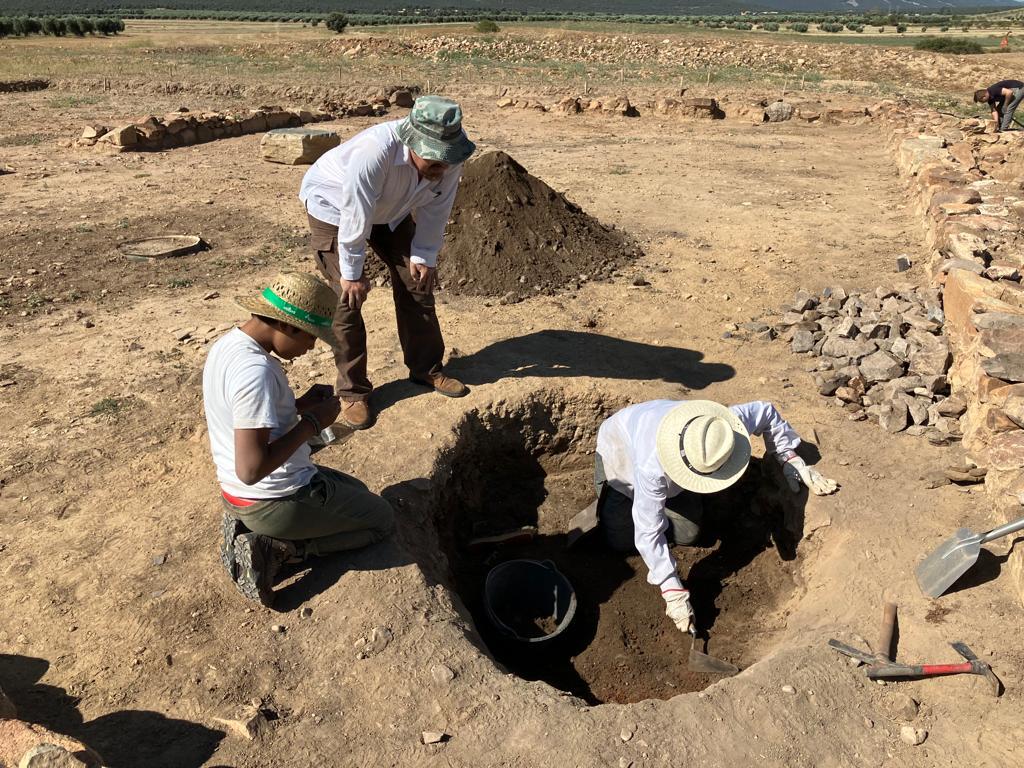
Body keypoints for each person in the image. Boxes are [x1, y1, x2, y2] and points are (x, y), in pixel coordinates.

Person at [203, 272, 395, 606]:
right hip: (273, 499)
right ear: (287, 325)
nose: (310, 348)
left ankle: (256, 527)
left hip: (242, 493)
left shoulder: (229, 347)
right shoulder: (256, 373)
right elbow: (251, 468)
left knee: (360, 494)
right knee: (382, 521)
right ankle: (279, 549)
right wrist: (311, 422)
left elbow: (245, 416)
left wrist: (294, 407)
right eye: (310, 337)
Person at [298, 95, 477, 430]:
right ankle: (353, 391)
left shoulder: (450, 160)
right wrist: (351, 274)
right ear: (412, 143)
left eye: (447, 161)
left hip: (389, 210)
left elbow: (437, 210)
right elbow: (355, 215)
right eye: (434, 161)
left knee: (418, 282)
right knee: (346, 300)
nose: (442, 169)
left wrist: (424, 254)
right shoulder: (374, 153)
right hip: (336, 206)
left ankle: (427, 369)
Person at [593, 399, 838, 637]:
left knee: (689, 533)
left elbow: (765, 412)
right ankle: (609, 496)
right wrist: (671, 588)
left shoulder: (720, 428)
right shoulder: (651, 468)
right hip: (620, 454)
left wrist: (786, 455)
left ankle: (660, 506)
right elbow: (648, 532)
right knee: (621, 541)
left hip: (666, 467)